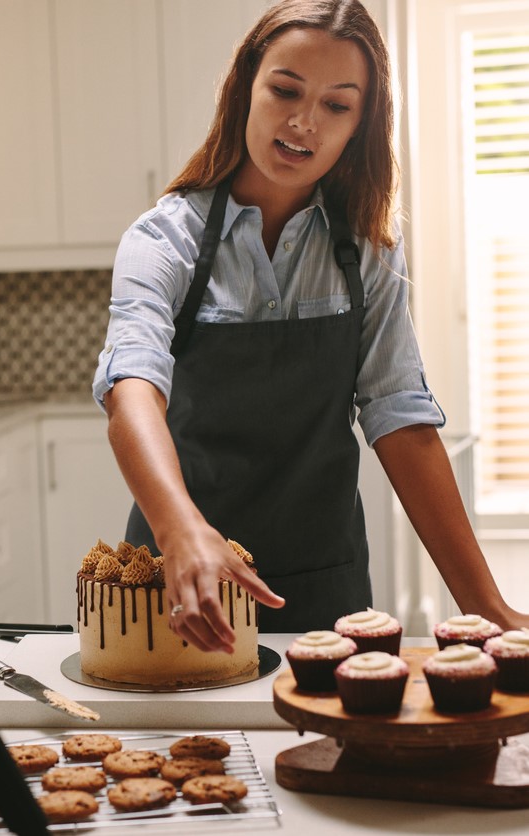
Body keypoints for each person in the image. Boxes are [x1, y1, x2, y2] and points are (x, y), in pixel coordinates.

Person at [92, 0, 529, 653]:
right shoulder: (165, 238)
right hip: (179, 590)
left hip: (326, 590)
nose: (303, 122)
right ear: (245, 90)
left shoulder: (369, 250)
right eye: (285, 90)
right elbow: (132, 388)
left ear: (361, 124)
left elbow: (401, 421)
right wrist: (180, 529)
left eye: (336, 105)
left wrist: (488, 607)